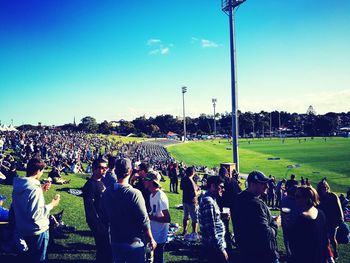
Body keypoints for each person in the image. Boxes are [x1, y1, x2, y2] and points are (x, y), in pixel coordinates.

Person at [101, 157, 157, 263]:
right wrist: (150, 238)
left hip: (115, 240)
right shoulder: (135, 194)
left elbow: (104, 215)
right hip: (133, 242)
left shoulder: (107, 192)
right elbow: (144, 220)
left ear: (115, 171)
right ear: (130, 171)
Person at [12, 157, 60, 262]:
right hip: (36, 231)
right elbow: (36, 215)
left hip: (23, 229)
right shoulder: (34, 189)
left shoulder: (19, 185)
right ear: (38, 171)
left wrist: (41, 189)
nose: (42, 173)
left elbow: (25, 203)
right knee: (38, 259)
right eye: (42, 171)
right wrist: (52, 204)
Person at [234, 171, 280, 263]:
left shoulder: (238, 199)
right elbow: (265, 233)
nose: (267, 186)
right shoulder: (256, 205)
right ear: (252, 184)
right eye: (263, 183)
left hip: (246, 252)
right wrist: (275, 224)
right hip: (264, 256)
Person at [82, 157, 112, 263]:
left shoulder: (101, 182)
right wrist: (98, 226)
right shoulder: (90, 185)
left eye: (106, 168)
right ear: (94, 168)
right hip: (99, 224)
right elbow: (89, 208)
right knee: (104, 249)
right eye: (102, 168)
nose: (105, 170)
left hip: (104, 222)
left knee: (104, 250)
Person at [289, 186, 329, 263]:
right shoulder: (321, 213)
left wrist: (288, 225)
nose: (295, 199)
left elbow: (294, 245)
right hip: (320, 258)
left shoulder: (302, 218)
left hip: (305, 258)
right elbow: (325, 239)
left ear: (307, 199)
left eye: (297, 197)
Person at [199, 176, 228, 263]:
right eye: (221, 187)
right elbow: (210, 228)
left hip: (213, 244)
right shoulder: (208, 201)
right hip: (214, 247)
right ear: (213, 186)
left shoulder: (211, 198)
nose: (223, 189)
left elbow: (210, 218)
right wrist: (221, 249)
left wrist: (221, 215)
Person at [144, 171, 170, 263]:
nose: (144, 181)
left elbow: (167, 219)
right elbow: (154, 212)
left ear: (151, 182)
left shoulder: (161, 196)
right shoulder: (151, 195)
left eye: (146, 179)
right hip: (154, 232)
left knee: (158, 258)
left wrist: (151, 217)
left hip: (160, 235)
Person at [317, 180, 344, 260]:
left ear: (327, 187)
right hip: (324, 221)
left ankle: (335, 252)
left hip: (333, 221)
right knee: (325, 238)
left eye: (325, 187)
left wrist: (340, 219)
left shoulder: (333, 195)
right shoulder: (319, 197)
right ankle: (327, 253)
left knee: (332, 238)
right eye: (322, 187)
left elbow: (339, 208)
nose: (324, 189)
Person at [180, 166, 200, 241]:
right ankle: (194, 233)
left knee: (186, 217)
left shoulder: (183, 179)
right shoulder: (190, 180)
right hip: (192, 202)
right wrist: (199, 192)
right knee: (194, 218)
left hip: (185, 200)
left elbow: (181, 188)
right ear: (193, 173)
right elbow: (195, 193)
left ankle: (184, 231)